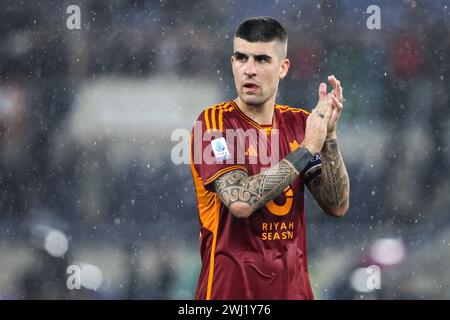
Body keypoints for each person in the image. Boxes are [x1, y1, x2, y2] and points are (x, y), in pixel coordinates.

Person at [190, 16, 349, 300]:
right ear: (232, 63)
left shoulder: (301, 124)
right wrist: (306, 149)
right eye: (241, 58)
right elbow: (239, 202)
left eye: (262, 60)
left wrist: (329, 139)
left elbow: (336, 205)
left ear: (283, 68)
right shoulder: (213, 124)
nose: (249, 70)